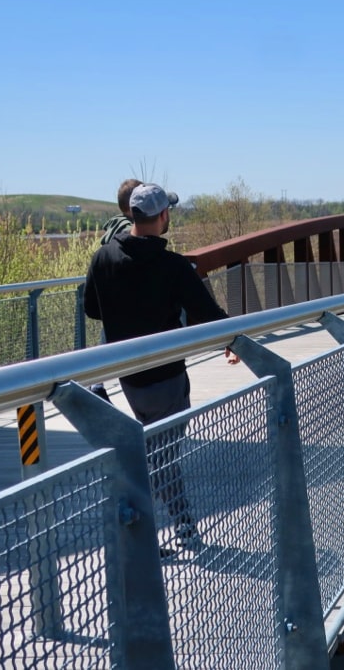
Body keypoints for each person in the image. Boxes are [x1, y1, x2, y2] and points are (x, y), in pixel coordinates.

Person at [84, 182, 234, 553]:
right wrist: (236, 339)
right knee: (163, 461)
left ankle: (163, 533)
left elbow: (91, 309)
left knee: (155, 458)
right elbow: (206, 314)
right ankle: (165, 534)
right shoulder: (172, 265)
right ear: (163, 216)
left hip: (130, 379)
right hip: (167, 377)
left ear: (131, 215)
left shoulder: (103, 258)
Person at [89, 178, 143, 403]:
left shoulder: (113, 226)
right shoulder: (127, 228)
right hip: (127, 298)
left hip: (111, 295)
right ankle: (97, 383)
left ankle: (97, 383)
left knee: (108, 336)